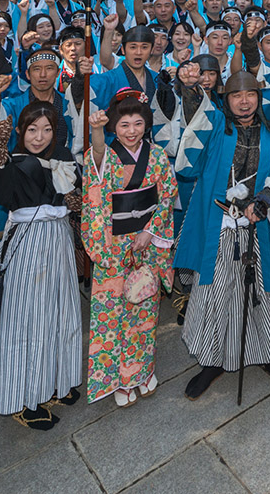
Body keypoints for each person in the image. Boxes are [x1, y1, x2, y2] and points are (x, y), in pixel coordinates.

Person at [174, 71, 270, 399]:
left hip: (256, 226)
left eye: (250, 96)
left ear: (259, 98)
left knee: (260, 293)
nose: (244, 102)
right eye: (235, 96)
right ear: (226, 100)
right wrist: (190, 91)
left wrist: (266, 199)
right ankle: (212, 361)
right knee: (215, 293)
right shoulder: (216, 127)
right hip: (219, 225)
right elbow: (188, 160)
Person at [0, 103, 83, 428]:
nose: (39, 137)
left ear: (56, 131)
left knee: (61, 314)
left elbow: (74, 193)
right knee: (25, 321)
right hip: (27, 248)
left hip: (60, 245)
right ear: (20, 132)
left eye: (47, 129)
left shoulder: (64, 157)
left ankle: (55, 381)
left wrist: (74, 202)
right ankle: (24, 398)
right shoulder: (9, 161)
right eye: (32, 130)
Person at [83, 90, 178, 406]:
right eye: (124, 125)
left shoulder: (158, 156)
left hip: (146, 245)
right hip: (112, 244)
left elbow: (166, 197)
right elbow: (96, 167)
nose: (132, 131)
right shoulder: (107, 155)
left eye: (138, 123)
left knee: (144, 311)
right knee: (114, 315)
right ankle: (119, 381)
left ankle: (141, 372)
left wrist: (151, 231)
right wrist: (97, 132)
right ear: (115, 127)